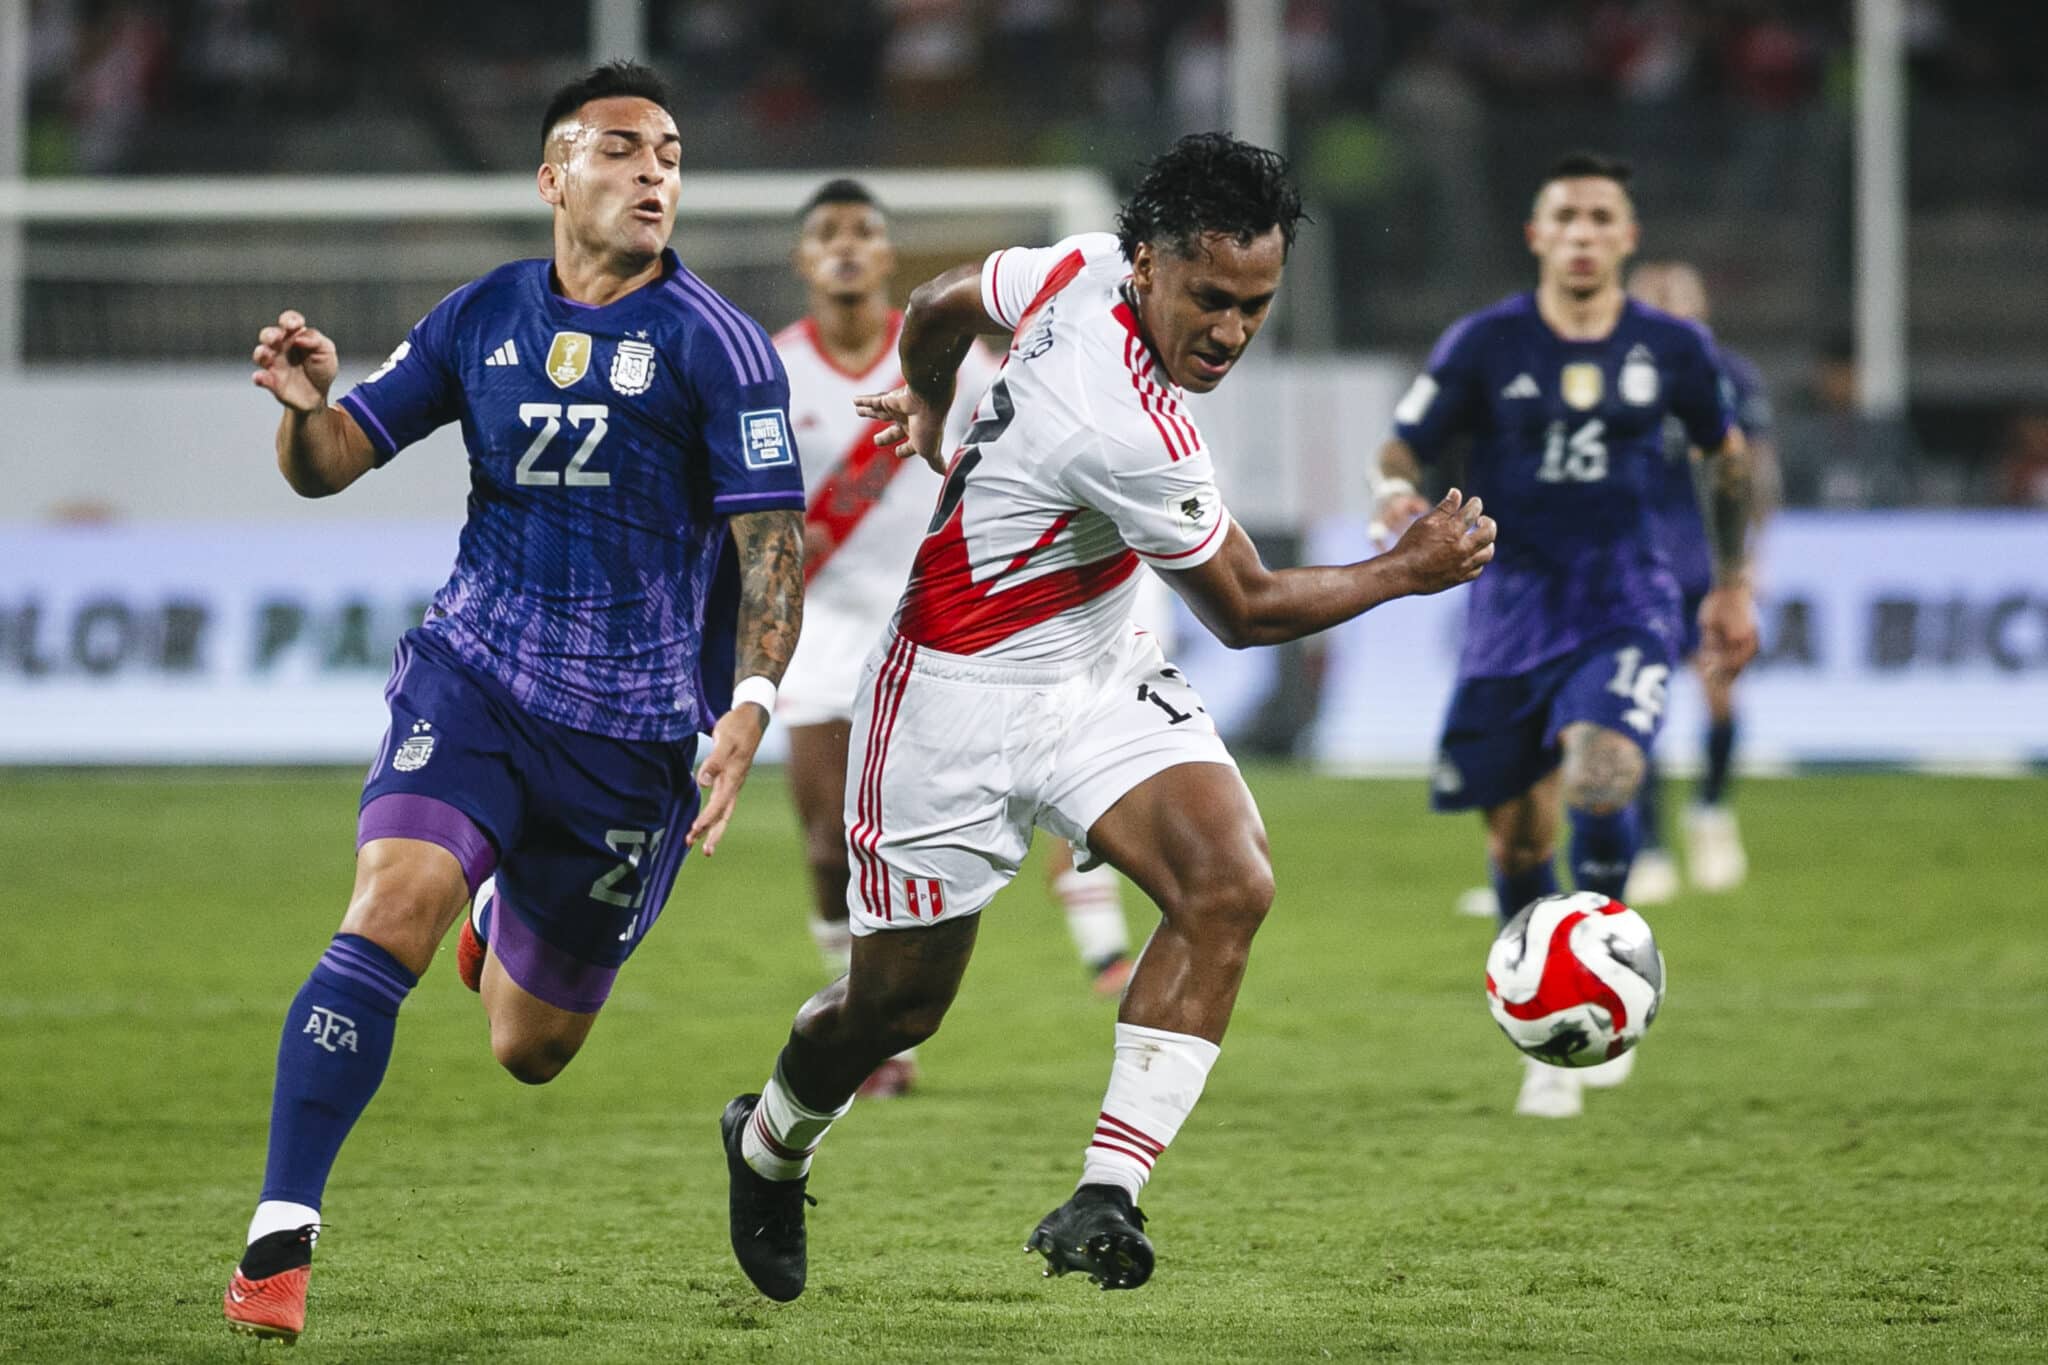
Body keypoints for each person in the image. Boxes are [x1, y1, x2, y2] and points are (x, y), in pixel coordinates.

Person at [719, 132, 1495, 1302]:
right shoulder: (1122, 421)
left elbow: (937, 305)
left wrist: (926, 406)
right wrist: (1405, 568)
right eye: (1209, 299)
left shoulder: (1076, 263)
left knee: (1227, 883)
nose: (1229, 332)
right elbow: (1244, 608)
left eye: (1254, 305)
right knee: (896, 1007)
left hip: (1096, 674)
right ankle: (769, 1142)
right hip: (949, 702)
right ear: (1146, 266)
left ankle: (1106, 1191)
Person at [222, 62, 807, 1343]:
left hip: (633, 738)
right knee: (388, 912)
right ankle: (279, 1238)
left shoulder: (716, 346)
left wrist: (750, 704)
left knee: (530, 1050)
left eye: (669, 155)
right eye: (622, 149)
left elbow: (770, 545)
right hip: (475, 678)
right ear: (553, 176)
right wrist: (306, 412)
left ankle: (502, 912)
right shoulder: (479, 315)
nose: (652, 173)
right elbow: (330, 463)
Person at [1373, 153, 1758, 1120]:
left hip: (1627, 602)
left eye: (1600, 217)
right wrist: (1394, 492)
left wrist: (1732, 584)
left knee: (1603, 773)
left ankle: (1606, 981)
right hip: (1508, 612)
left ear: (1626, 237)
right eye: (1567, 217)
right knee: (1517, 842)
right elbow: (1405, 439)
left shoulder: (1672, 347)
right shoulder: (1484, 342)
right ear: (1537, 235)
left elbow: (1727, 457)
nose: (1583, 232)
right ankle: (1540, 1021)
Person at [770, 182, 1139, 1104]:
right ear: (804, 259)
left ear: (887, 256)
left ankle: (1087, 944)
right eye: (827, 233)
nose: (846, 246)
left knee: (973, 823)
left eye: (864, 231)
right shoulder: (777, 369)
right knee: (828, 848)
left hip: (940, 620)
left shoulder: (956, 360)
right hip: (823, 630)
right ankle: (862, 1023)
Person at [1622, 261, 1778, 900]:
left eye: (1678, 301)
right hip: (1635, 564)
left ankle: (1711, 808)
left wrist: (1750, 558)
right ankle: (1650, 846)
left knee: (1720, 696)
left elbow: (1756, 472)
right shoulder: (1614, 379)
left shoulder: (1732, 377)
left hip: (1708, 564)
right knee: (1640, 704)